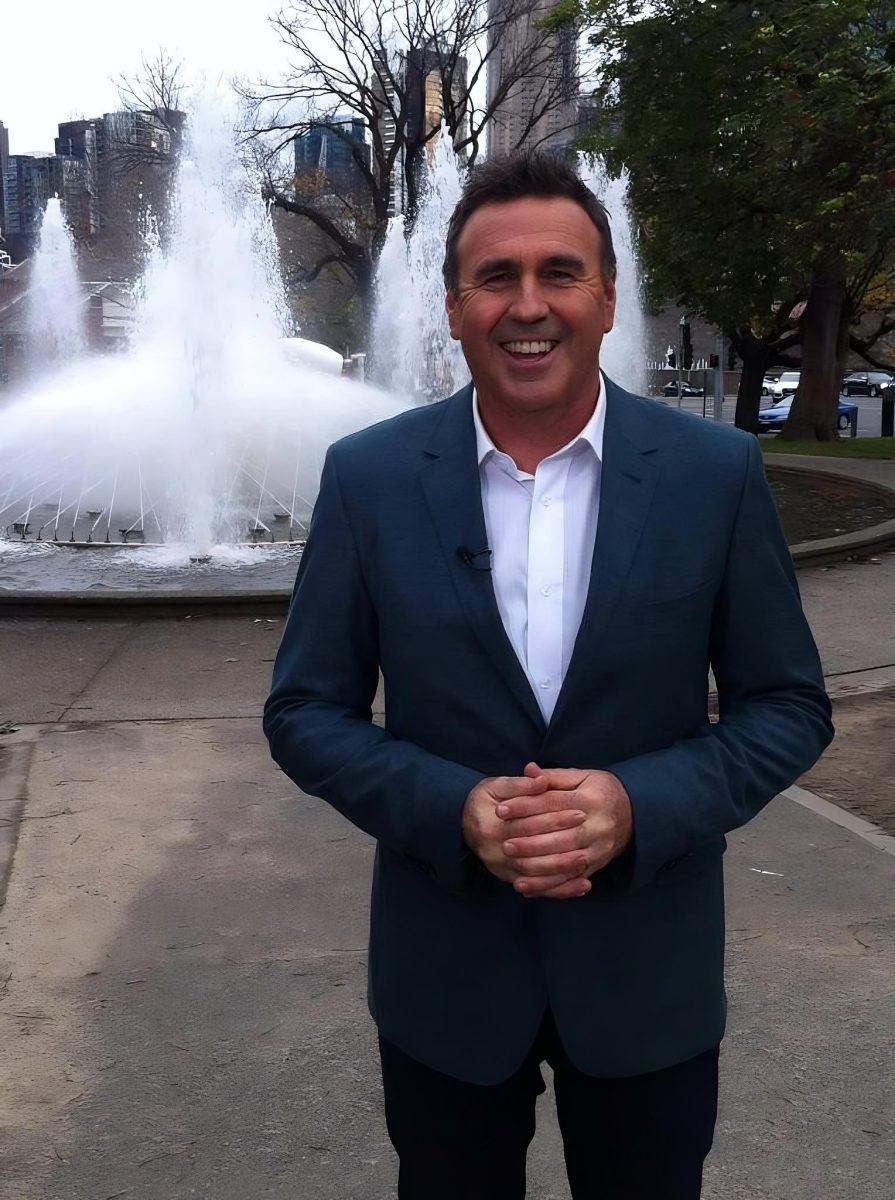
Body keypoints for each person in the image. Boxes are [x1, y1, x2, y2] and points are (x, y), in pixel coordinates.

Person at [263, 153, 833, 1200]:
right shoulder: (370, 479)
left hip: (645, 977)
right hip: (446, 980)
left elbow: (787, 705)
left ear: (607, 297)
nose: (528, 305)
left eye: (559, 272)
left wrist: (637, 801)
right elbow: (304, 709)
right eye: (496, 277)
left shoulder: (714, 477)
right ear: (451, 305)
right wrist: (452, 807)